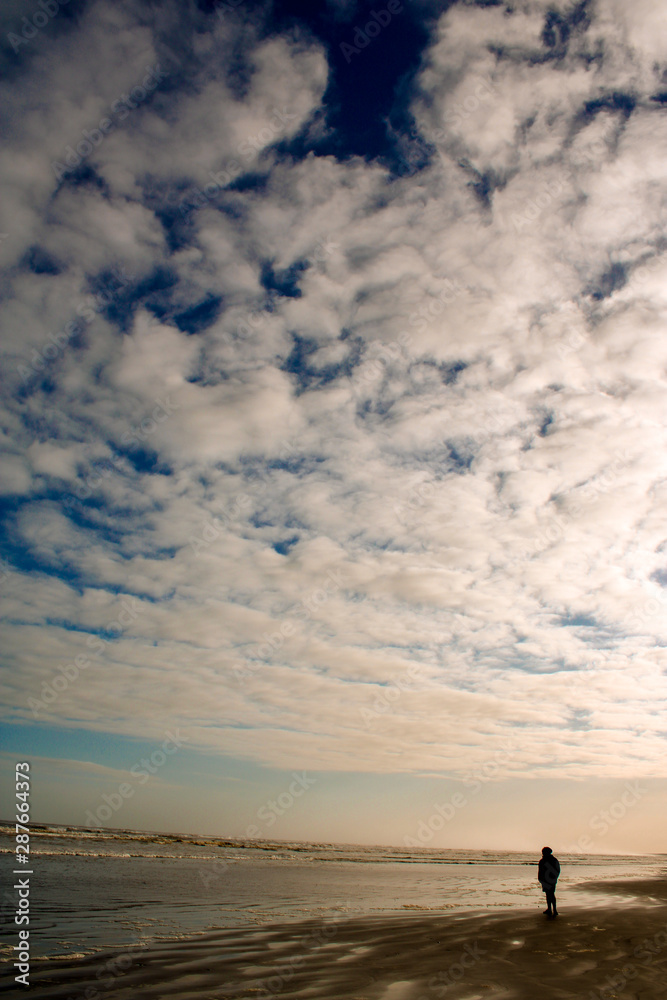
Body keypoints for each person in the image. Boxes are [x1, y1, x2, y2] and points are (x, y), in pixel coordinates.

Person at [538, 846, 560, 918]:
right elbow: (557, 870)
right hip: (550, 880)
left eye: (543, 852)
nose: (543, 853)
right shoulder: (553, 860)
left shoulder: (543, 860)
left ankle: (551, 909)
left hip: (547, 880)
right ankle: (552, 909)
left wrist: (540, 879)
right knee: (550, 894)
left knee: (549, 894)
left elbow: (540, 871)